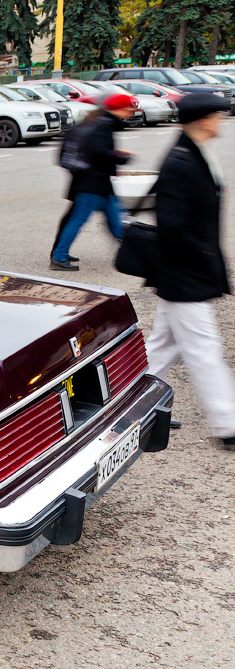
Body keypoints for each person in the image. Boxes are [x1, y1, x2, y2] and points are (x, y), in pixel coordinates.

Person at [145, 93, 235, 446]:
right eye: (217, 115)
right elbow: (171, 225)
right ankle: (228, 422)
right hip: (184, 275)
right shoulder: (181, 162)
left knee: (161, 347)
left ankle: (127, 403)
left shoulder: (194, 153)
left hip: (184, 273)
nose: (222, 120)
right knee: (204, 348)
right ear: (201, 120)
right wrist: (203, 256)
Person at [50, 93, 138, 271]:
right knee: (79, 219)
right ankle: (59, 256)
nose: (132, 111)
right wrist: (121, 157)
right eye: (129, 108)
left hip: (94, 181)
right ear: (118, 108)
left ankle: (135, 253)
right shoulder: (104, 124)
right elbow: (98, 151)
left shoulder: (99, 121)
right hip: (93, 183)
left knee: (115, 219)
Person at [49, 108, 106, 264]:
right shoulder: (85, 131)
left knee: (72, 215)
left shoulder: (79, 129)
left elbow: (63, 157)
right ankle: (58, 253)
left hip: (79, 178)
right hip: (85, 179)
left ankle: (59, 251)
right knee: (74, 217)